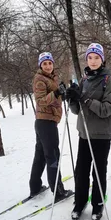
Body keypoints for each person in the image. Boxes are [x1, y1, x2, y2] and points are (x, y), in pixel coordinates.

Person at [65, 43, 111, 220]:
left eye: (97, 57)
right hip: (84, 133)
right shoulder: (84, 80)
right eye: (90, 57)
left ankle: (97, 204)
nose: (93, 61)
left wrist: (85, 99)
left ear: (102, 59)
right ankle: (80, 203)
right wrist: (72, 98)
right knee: (81, 171)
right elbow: (76, 110)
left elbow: (107, 109)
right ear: (86, 59)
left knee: (98, 171)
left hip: (101, 134)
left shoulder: (109, 80)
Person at [29, 52, 73, 201]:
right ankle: (58, 191)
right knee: (53, 155)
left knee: (41, 155)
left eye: (50, 63)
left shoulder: (51, 78)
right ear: (40, 65)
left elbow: (55, 97)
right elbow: (41, 101)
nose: (48, 66)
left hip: (44, 122)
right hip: (46, 123)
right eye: (45, 63)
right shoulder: (40, 80)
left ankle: (35, 187)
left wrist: (62, 94)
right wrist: (56, 93)